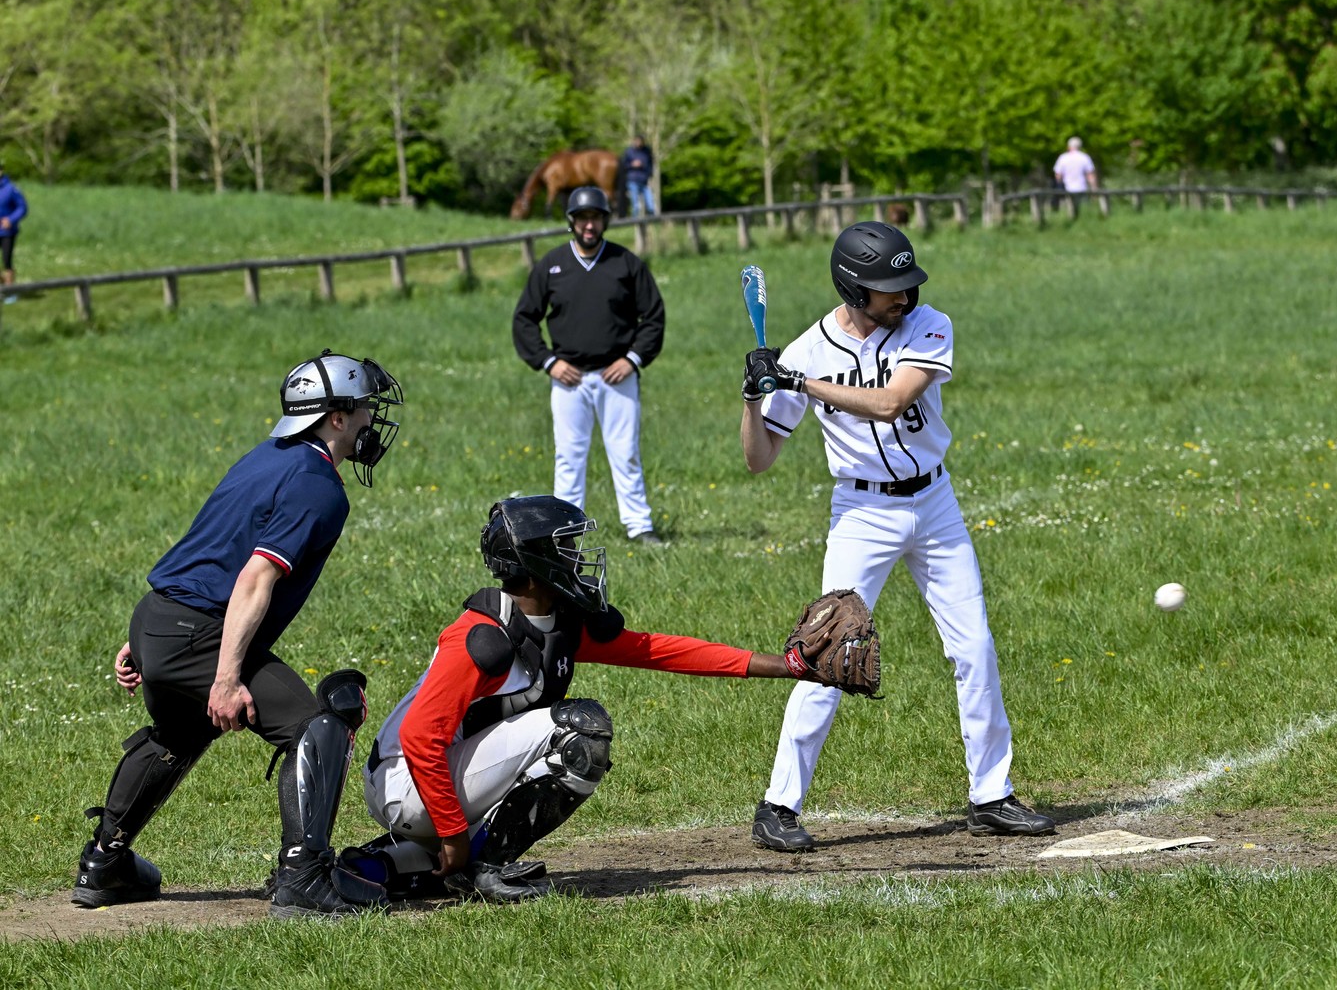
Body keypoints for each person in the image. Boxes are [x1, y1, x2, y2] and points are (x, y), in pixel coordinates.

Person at [738, 221, 1055, 851]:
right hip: (861, 517)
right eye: (889, 291)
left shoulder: (928, 324)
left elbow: (889, 401)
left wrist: (794, 382)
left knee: (975, 648)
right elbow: (759, 457)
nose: (902, 298)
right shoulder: (805, 350)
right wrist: (753, 396)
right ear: (854, 291)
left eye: (906, 286)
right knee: (827, 651)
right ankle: (779, 805)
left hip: (935, 504)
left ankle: (991, 795)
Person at [341, 495, 818, 903]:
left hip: (436, 777)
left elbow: (658, 651)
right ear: (532, 567)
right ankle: (483, 867)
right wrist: (450, 832)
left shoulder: (551, 624)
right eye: (565, 550)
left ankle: (396, 861)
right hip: (407, 782)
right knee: (579, 731)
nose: (577, 560)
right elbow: (420, 738)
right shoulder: (481, 638)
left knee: (559, 738)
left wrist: (784, 665)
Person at [72, 350, 406, 919]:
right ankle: (305, 876)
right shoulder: (318, 485)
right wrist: (224, 677)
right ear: (335, 417)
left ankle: (105, 864)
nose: (371, 421)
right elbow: (254, 577)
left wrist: (150, 644)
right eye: (364, 410)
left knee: (178, 731)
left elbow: (207, 548)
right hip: (196, 633)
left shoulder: (266, 457)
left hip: (159, 617)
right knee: (315, 726)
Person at [514, 186, 666, 546]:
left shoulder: (625, 263)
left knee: (625, 453)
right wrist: (549, 362)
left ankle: (639, 525)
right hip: (570, 380)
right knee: (569, 456)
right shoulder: (552, 265)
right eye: (582, 218)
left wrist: (632, 359)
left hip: (618, 377)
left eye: (595, 218)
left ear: (604, 221)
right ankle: (565, 530)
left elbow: (654, 317)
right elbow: (524, 319)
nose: (588, 225)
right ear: (572, 222)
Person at [0, 161, 27, 304]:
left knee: (6, 260)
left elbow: (22, 208)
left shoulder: (11, 189)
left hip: (7, 232)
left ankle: (10, 292)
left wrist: (11, 219)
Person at [620, 135, 656, 217]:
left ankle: (652, 222)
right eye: (637, 141)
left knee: (651, 205)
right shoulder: (629, 151)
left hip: (645, 181)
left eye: (640, 141)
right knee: (635, 205)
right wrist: (632, 165)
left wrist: (650, 176)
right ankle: (634, 224)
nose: (638, 143)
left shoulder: (647, 151)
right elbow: (623, 165)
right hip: (633, 180)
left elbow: (650, 165)